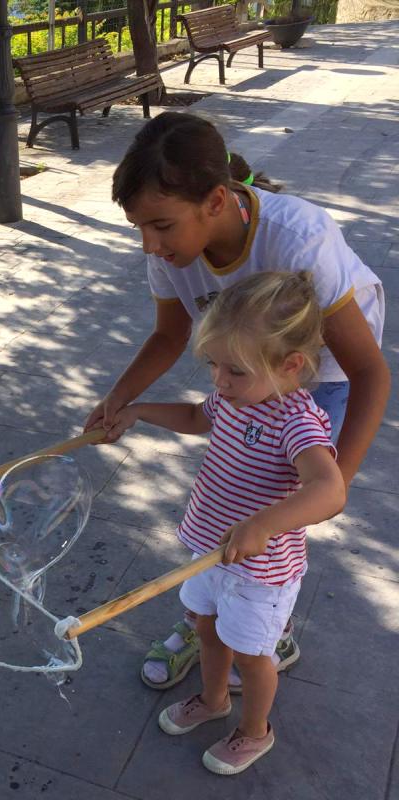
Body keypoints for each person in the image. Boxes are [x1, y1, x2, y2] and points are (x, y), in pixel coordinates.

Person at [84, 112, 389, 692]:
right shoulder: (167, 253)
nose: (150, 245)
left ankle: (265, 628)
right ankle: (210, 622)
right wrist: (119, 399)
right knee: (241, 500)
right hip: (244, 364)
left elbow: (369, 371)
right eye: (140, 228)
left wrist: (335, 485)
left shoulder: (301, 238)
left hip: (323, 366)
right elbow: (170, 336)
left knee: (282, 510)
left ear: (217, 201)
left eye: (162, 226)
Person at [106, 271, 346, 774]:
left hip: (262, 573)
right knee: (208, 631)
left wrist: (263, 524)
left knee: (254, 657)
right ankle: (214, 700)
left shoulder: (296, 420)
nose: (219, 380)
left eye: (234, 370)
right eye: (213, 364)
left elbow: (329, 489)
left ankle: (256, 731)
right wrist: (138, 412)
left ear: (290, 366)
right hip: (211, 551)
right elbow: (199, 418)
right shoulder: (235, 398)